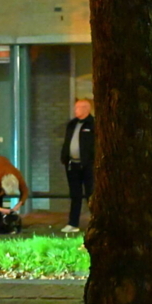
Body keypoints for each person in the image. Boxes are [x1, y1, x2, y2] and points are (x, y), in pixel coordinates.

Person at [60, 98, 95, 233]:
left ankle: (95, 222)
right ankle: (73, 223)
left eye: (78, 107)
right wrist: (64, 157)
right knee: (75, 195)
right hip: (72, 165)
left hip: (88, 166)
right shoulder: (72, 124)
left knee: (90, 194)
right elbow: (67, 142)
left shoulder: (93, 124)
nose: (75, 110)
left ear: (86, 109)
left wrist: (92, 161)